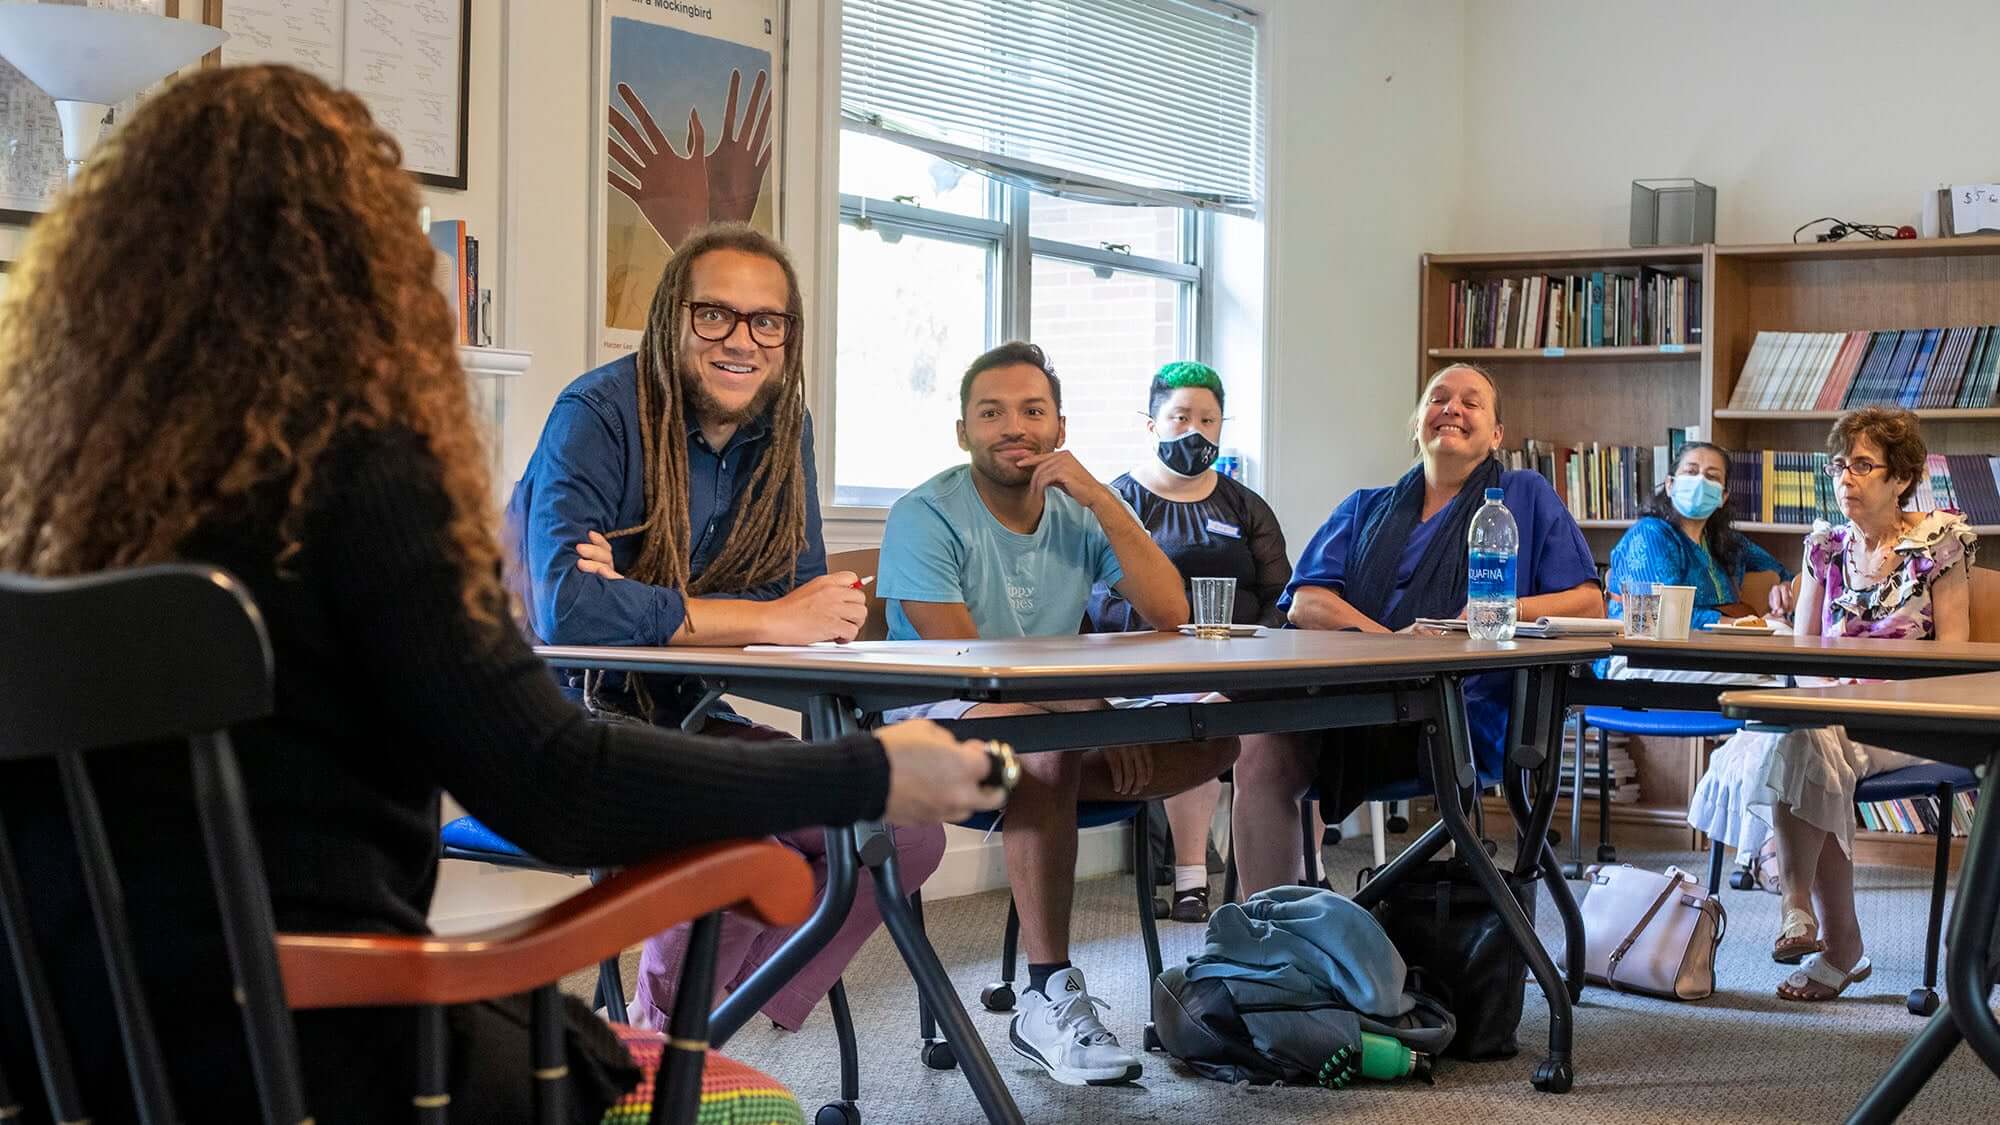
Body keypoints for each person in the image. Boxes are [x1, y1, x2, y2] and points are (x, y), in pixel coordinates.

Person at [0, 66, 1000, 1124]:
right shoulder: (362, 477)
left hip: (65, 1059)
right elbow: (555, 784)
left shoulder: (49, 506)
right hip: (314, 1060)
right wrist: (866, 772)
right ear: (367, 269)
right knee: (749, 1110)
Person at [506, 221, 947, 1035]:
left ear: (788, 336)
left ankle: (703, 1032)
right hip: (559, 718)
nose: (741, 339)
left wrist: (654, 600)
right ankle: (661, 1044)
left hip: (687, 712)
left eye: (765, 320)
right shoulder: (597, 413)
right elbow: (570, 608)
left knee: (907, 831)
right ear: (674, 316)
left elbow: (801, 593)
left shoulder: (784, 431)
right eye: (715, 315)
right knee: (755, 841)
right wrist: (761, 614)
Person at [878, 342, 1239, 1087]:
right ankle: (1046, 993)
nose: (1015, 426)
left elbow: (1170, 611)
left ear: (1059, 426)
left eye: (1033, 410)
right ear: (962, 431)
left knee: (1215, 731)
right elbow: (966, 664)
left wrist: (1105, 501)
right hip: (933, 732)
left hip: (1047, 719)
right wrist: (1085, 711)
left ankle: (1261, 961)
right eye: (993, 412)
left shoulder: (1076, 513)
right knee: (1046, 749)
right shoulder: (925, 513)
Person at [1231, 363, 1603, 894]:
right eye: (1438, 398)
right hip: (1359, 700)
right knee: (1260, 745)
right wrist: (1392, 642)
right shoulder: (1366, 507)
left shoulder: (1523, 495)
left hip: (1468, 712)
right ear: (1417, 423)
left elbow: (1588, 602)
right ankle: (1273, 936)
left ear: (1496, 435)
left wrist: (1492, 613)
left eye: (1471, 402)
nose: (1451, 408)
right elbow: (1307, 601)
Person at [1687, 407, 1974, 1002]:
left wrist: (1857, 697)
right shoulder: (1824, 547)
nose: (1847, 477)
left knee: (1796, 738)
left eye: (1864, 466)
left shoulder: (1939, 546)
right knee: (1803, 737)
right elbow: (1802, 656)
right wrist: (1825, 697)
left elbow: (1953, 662)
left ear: (1901, 477)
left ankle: (1804, 914)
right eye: (1841, 465)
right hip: (1828, 719)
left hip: (1908, 720)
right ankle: (1830, 937)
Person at [1083, 361, 1289, 923]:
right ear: (1151, 423)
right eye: (1179, 417)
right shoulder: (1116, 503)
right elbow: (1097, 603)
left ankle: (1286, 885)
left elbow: (1280, 595)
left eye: (1207, 418)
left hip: (1239, 668)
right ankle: (1192, 879)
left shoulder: (1247, 507)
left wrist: (1253, 653)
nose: (1193, 431)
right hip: (1146, 674)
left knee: (1289, 715)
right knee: (1189, 712)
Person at [1599, 440, 1795, 682]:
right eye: (1691, 472)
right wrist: (1742, 625)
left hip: (1709, 653)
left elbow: (1780, 570)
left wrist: (1784, 587)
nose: (1700, 481)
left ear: (1723, 496)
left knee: (1789, 672)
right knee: (1766, 685)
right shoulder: (1649, 533)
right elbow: (1657, 617)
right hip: (1639, 657)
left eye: (1712, 477)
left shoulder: (1726, 542)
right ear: (1670, 485)